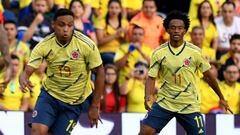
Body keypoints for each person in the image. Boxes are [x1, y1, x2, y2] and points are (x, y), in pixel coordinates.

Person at [139, 11, 232, 135]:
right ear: (167, 30)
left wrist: (221, 97)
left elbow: (209, 77)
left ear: (185, 31)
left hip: (189, 103)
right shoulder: (158, 52)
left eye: (180, 28)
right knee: (145, 131)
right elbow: (151, 77)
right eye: (173, 28)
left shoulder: (195, 52)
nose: (176, 31)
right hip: (165, 102)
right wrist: (147, 96)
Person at [19, 9, 104, 135]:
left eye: (70, 25)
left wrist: (95, 105)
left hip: (74, 102)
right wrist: (24, 77)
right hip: (49, 96)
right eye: (61, 24)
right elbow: (28, 69)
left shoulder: (86, 45)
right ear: (53, 24)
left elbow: (100, 72)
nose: (66, 29)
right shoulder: (44, 45)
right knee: (37, 131)